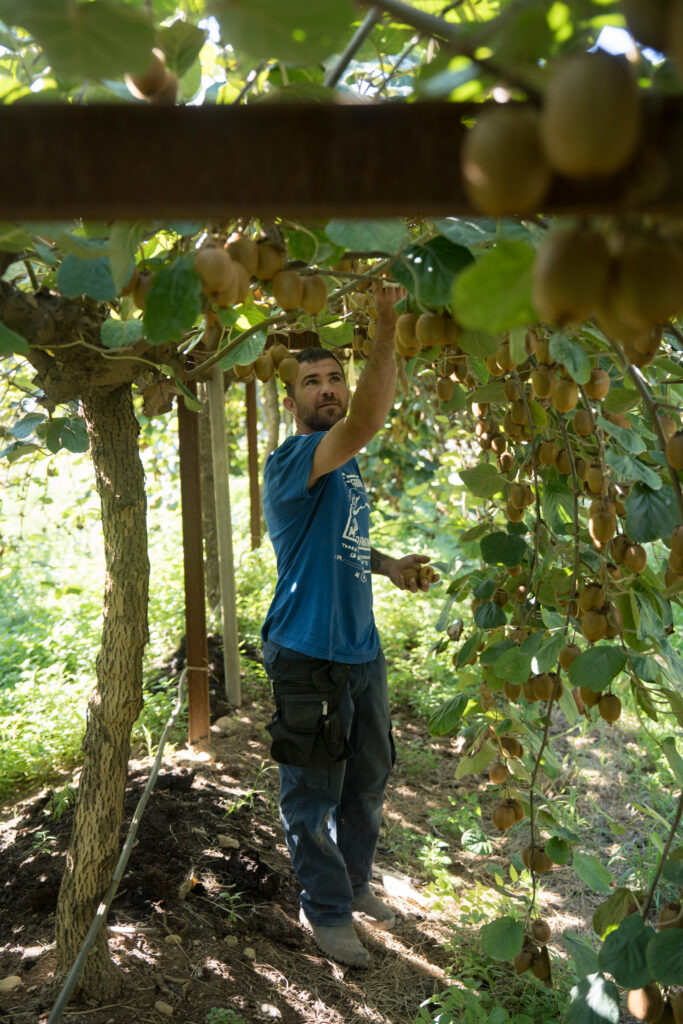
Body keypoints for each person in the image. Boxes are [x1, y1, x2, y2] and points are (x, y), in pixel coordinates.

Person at [261, 280, 439, 968]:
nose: (328, 389)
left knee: (368, 775)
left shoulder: (343, 465)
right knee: (312, 791)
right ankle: (327, 911)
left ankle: (354, 883)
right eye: (312, 381)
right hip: (308, 653)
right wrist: (388, 323)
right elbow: (365, 420)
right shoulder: (294, 459)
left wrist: (389, 565)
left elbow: (341, 542)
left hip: (359, 652)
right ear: (291, 398)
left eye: (335, 376)